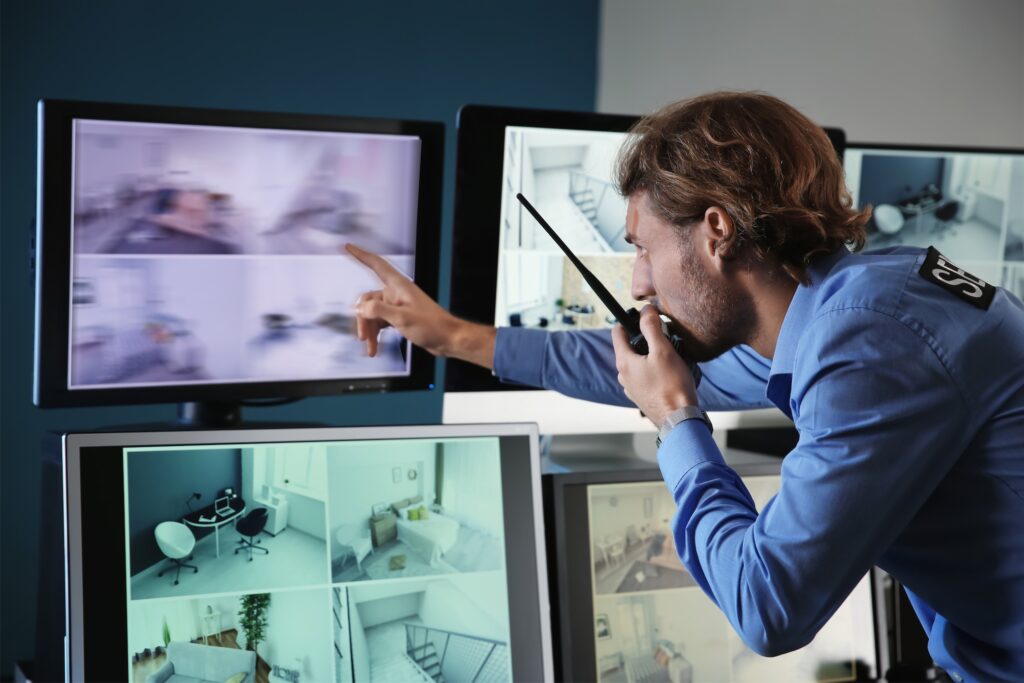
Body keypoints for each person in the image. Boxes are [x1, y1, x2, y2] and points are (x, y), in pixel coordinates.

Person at [346, 91, 1024, 682]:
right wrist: (454, 337)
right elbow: (637, 361)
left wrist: (676, 419)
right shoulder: (850, 304)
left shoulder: (868, 342)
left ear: (716, 232)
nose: (638, 283)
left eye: (642, 247)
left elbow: (769, 608)